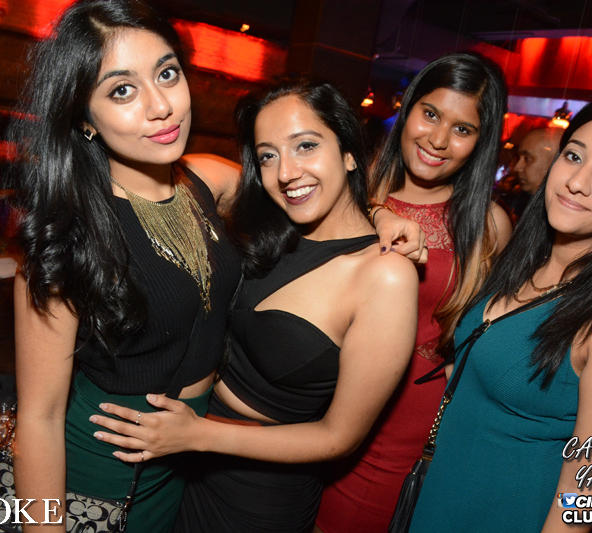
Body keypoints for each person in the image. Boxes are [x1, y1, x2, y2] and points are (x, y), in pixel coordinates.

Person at [10, 2, 422, 531]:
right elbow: (39, 419)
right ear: (84, 118)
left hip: (180, 477)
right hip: (97, 477)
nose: (162, 106)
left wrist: (383, 215)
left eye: (166, 74)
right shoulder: (66, 233)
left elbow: (313, 184)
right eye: (122, 90)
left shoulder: (204, 179)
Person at [89, 78, 420, 532]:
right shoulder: (264, 218)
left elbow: (338, 437)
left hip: (258, 494)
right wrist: (379, 210)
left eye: (306, 146)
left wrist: (198, 435)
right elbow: (133, 170)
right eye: (268, 155)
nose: (286, 172)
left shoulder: (385, 274)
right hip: (181, 467)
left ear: (349, 152)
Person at [409, 92, 592, 532]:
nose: (577, 181)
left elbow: (582, 495)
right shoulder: (520, 264)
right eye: (574, 156)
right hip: (438, 499)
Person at [316, 51, 513, 533]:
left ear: (482, 141)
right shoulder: (345, 187)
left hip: (408, 430)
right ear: (407, 109)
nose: (439, 140)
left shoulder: (488, 226)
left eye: (463, 129)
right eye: (430, 114)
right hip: (314, 399)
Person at [508, 126, 565, 219]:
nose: (517, 168)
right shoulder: (521, 202)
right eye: (519, 158)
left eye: (527, 159)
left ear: (554, 163)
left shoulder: (560, 217)